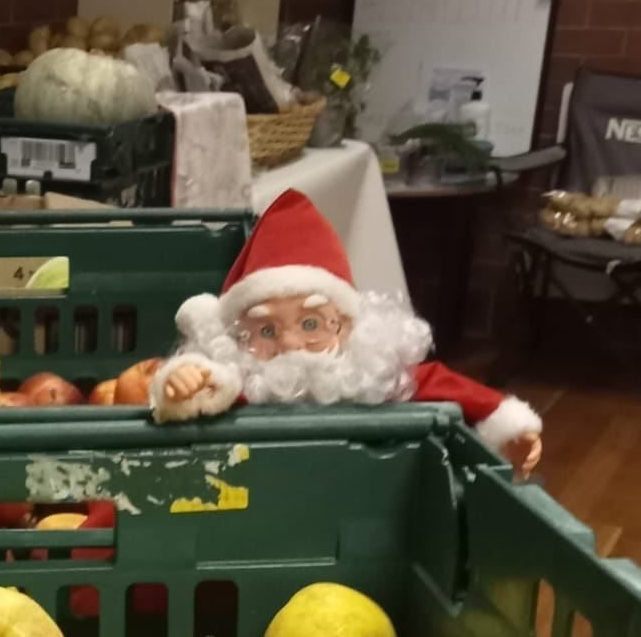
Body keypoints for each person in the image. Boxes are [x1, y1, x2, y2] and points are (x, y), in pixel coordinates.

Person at [149, 189, 543, 475]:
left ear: (348, 325)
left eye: (310, 324)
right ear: (238, 335)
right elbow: (207, 394)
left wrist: (508, 425)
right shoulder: (241, 379)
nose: (289, 344)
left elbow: (441, 385)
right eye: (267, 329)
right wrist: (185, 384)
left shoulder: (368, 374)